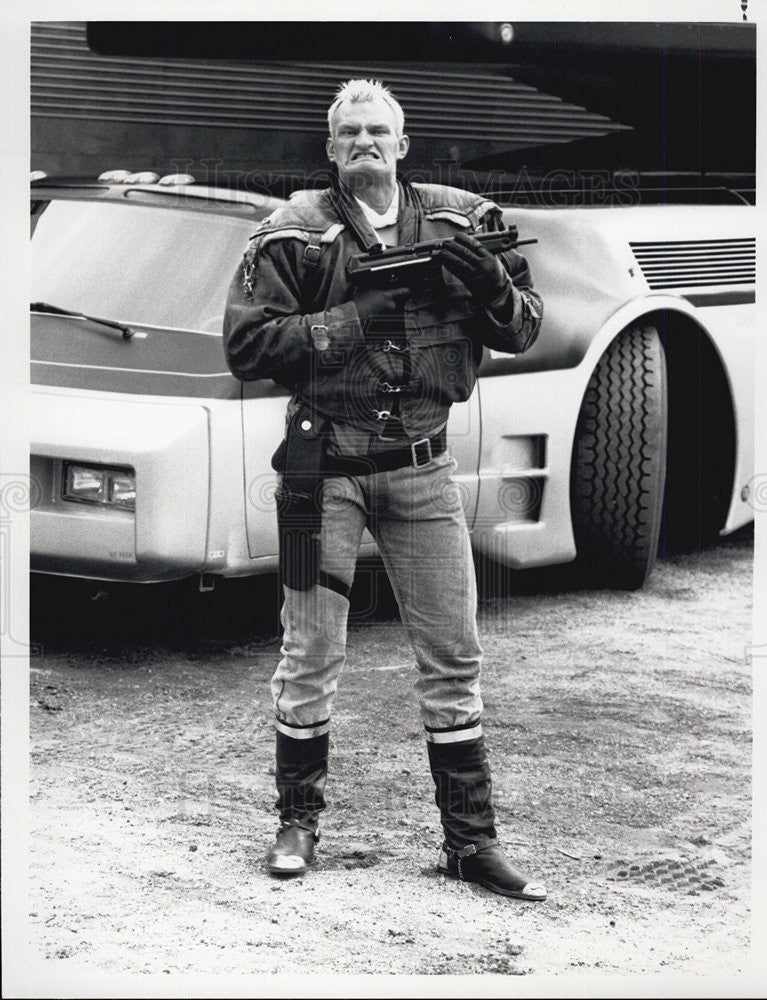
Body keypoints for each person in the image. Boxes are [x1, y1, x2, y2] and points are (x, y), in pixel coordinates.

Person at [223, 79, 546, 901]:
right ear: (331, 150)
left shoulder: (461, 221)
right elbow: (245, 345)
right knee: (310, 650)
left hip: (422, 469)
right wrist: (348, 322)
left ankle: (471, 843)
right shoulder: (294, 231)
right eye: (349, 134)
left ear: (404, 146)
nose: (365, 142)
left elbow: (525, 326)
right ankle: (296, 823)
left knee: (454, 652)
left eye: (380, 132)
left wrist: (495, 289)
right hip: (317, 472)